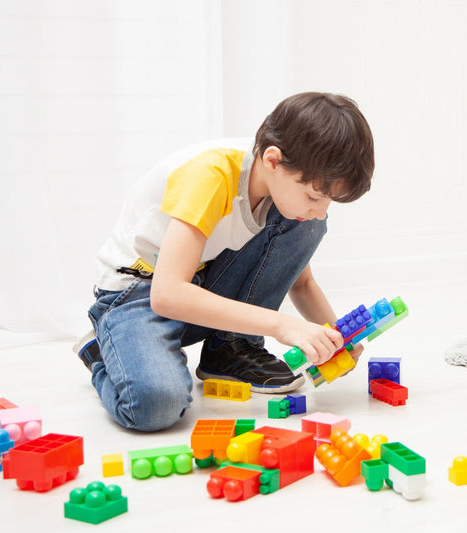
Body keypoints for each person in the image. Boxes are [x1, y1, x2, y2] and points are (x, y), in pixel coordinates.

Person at [74, 92, 375, 432]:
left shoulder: (281, 187)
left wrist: (337, 337)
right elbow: (167, 294)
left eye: (328, 201)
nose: (321, 210)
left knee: (305, 222)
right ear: (273, 161)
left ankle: (230, 349)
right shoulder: (212, 175)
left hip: (200, 284)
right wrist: (282, 326)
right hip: (138, 294)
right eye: (314, 196)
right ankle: (101, 355)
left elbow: (300, 281)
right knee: (156, 405)